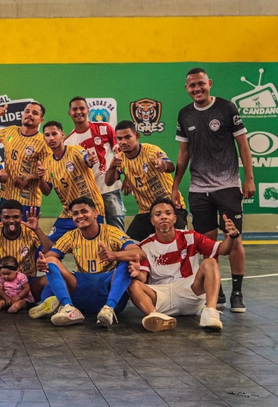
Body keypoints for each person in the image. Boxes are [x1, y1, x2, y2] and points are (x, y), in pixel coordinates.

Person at [171, 68, 254, 313]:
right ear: (186, 89)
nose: (197, 89)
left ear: (209, 83)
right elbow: (183, 154)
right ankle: (215, 289)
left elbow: (243, 145)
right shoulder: (184, 114)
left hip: (228, 186)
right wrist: (175, 187)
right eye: (192, 86)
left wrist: (249, 179)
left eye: (201, 84)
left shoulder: (227, 108)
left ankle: (237, 292)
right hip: (198, 190)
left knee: (234, 239)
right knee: (207, 244)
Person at [128, 198, 241, 332]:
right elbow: (143, 278)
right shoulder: (145, 246)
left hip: (190, 292)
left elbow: (222, 250)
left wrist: (231, 236)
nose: (163, 217)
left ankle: (210, 312)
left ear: (175, 218)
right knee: (133, 284)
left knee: (210, 262)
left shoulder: (191, 237)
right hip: (160, 295)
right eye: (158, 214)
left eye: (168, 213)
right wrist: (136, 273)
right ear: (152, 221)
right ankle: (155, 315)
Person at [30, 196, 144, 328]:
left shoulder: (111, 232)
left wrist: (115, 255)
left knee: (127, 262)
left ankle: (109, 308)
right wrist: (42, 262)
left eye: (84, 211)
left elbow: (140, 253)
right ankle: (68, 308)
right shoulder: (71, 236)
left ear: (95, 213)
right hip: (82, 289)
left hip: (107, 289)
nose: (80, 216)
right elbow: (50, 256)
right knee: (50, 261)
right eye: (75, 213)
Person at [106, 120, 188, 241]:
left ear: (137, 136)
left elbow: (170, 166)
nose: (123, 142)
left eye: (127, 137)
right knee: (129, 246)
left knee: (179, 244)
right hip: (146, 212)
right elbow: (108, 182)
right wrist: (113, 167)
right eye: (120, 138)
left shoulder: (151, 151)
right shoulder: (120, 159)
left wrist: (164, 165)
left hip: (170, 207)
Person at [64, 96, 126, 231]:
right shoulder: (68, 142)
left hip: (110, 188)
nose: (78, 112)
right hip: (88, 195)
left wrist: (127, 176)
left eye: (82, 108)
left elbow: (121, 154)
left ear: (88, 110)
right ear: (69, 113)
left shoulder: (105, 128)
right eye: (75, 109)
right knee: (93, 232)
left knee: (117, 229)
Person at [39, 120, 104, 242]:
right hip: (68, 212)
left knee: (93, 246)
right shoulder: (47, 162)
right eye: (47, 135)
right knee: (48, 245)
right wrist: (40, 178)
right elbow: (46, 191)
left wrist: (90, 160)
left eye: (54, 134)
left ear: (62, 135)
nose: (51, 138)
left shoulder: (75, 150)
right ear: (44, 138)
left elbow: (87, 159)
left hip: (90, 208)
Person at [0, 200, 53, 301]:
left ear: (21, 217)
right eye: (6, 217)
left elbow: (52, 253)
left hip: (27, 283)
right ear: (0, 218)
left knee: (51, 279)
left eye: (16, 217)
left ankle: (45, 305)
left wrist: (37, 229)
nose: (11, 221)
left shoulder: (30, 232)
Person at [0, 102, 49, 219]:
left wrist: (28, 177)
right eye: (27, 111)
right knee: (2, 230)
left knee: (26, 231)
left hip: (28, 201)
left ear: (41, 120)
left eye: (35, 113)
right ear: (22, 115)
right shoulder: (11, 131)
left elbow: (46, 172)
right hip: (6, 196)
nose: (29, 114)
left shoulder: (43, 142)